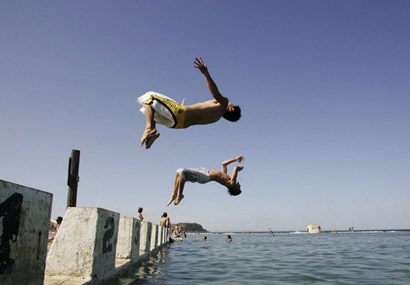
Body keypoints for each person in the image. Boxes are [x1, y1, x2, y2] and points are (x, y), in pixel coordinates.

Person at [138, 57, 241, 149]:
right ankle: (153, 132)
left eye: (233, 104)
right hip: (178, 125)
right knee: (149, 110)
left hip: (179, 112)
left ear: (231, 108)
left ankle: (149, 128)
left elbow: (215, 94)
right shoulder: (216, 118)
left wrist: (205, 73)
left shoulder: (223, 104)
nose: (230, 102)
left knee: (149, 96)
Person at [167, 155, 244, 206]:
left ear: (234, 188)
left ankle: (180, 195)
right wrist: (235, 159)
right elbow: (223, 164)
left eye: (239, 187)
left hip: (205, 176)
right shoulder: (225, 177)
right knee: (178, 172)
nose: (239, 185)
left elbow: (235, 168)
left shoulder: (231, 184)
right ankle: (174, 194)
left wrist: (240, 168)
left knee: (182, 172)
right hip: (204, 171)